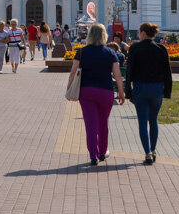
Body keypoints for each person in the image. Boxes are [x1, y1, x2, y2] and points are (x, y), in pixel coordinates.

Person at [67, 24, 124, 166]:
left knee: (90, 124)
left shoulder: (81, 52)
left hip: (86, 91)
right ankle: (103, 152)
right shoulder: (111, 53)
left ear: (89, 35)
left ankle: (93, 156)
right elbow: (117, 75)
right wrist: (121, 92)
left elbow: (73, 72)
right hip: (106, 91)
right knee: (103, 122)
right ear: (104, 35)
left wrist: (69, 88)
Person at [125, 23, 172, 165]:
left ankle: (147, 153)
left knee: (142, 122)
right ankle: (153, 150)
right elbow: (167, 72)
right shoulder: (161, 49)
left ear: (144, 33)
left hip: (140, 88)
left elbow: (129, 71)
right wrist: (167, 92)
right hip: (157, 89)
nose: (139, 35)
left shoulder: (135, 48)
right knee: (153, 121)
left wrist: (128, 92)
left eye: (139, 32)